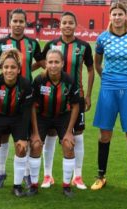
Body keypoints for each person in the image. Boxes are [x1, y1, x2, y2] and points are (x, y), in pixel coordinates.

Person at [91, 2, 127, 191]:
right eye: (114, 14)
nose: (117, 17)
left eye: (120, 14)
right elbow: (97, 63)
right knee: (105, 134)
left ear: (125, 16)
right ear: (110, 16)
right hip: (108, 88)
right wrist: (107, 79)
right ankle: (100, 175)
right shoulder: (103, 38)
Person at [39, 11, 94, 190]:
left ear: (75, 25)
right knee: (50, 135)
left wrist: (87, 94)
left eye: (70, 23)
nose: (67, 26)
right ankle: (48, 175)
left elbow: (91, 70)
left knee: (77, 136)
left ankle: (77, 176)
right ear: (59, 25)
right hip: (52, 99)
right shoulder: (51, 44)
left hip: (75, 97)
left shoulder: (84, 46)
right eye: (64, 23)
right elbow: (43, 64)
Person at [0, 8, 42, 189]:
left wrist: (27, 71)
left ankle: (26, 174)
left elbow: (41, 62)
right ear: (9, 22)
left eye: (21, 21)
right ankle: (1, 172)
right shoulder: (1, 43)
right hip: (6, 95)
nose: (18, 24)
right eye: (15, 21)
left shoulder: (32, 43)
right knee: (2, 138)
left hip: (26, 94)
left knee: (23, 136)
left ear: (26, 23)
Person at [0, 49, 33, 198]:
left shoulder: (25, 85)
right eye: (6, 67)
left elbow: (26, 112)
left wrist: (23, 136)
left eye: (13, 67)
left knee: (21, 148)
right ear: (2, 68)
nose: (9, 70)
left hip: (17, 119)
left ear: (19, 69)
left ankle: (17, 186)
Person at [30, 49, 80, 197]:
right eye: (50, 62)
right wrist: (35, 133)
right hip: (42, 117)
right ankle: (33, 185)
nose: (53, 65)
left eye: (56, 62)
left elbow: (76, 105)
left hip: (62, 116)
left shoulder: (69, 81)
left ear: (62, 64)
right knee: (36, 145)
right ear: (46, 63)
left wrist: (70, 132)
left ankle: (66, 186)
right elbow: (32, 106)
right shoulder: (39, 80)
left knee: (68, 145)